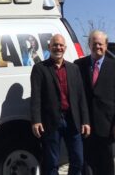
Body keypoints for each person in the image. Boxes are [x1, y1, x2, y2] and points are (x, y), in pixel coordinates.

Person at [31, 34, 90, 175]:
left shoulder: (73, 69)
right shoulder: (40, 68)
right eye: (55, 45)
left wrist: (85, 121)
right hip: (51, 121)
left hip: (72, 120)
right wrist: (36, 120)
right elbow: (36, 96)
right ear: (49, 47)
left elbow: (81, 96)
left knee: (78, 160)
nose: (58, 47)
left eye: (61, 45)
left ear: (65, 48)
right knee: (52, 163)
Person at [75, 30, 115, 174]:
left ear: (106, 45)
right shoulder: (78, 65)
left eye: (100, 44)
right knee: (87, 166)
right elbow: (77, 96)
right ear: (89, 44)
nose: (97, 46)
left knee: (107, 166)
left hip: (108, 126)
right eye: (94, 43)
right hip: (86, 125)